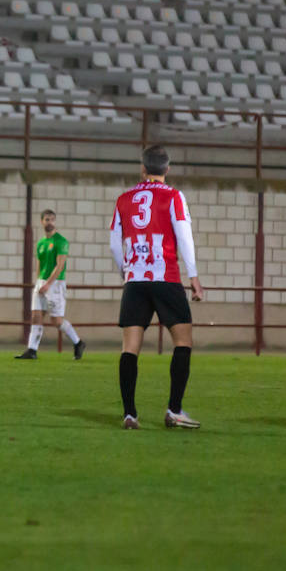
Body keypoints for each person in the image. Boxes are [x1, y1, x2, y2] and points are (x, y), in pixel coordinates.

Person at [109, 146, 205, 430]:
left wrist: (125, 271)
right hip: (166, 278)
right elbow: (184, 236)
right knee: (183, 341)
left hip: (136, 281)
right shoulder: (174, 196)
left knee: (130, 348)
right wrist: (194, 276)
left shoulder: (124, 199)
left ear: (142, 168)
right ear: (167, 169)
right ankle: (174, 410)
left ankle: (130, 414)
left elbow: (115, 243)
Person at [16, 209, 86, 360]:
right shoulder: (41, 242)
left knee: (56, 320)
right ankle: (32, 350)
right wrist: (38, 281)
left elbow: (60, 265)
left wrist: (48, 283)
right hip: (42, 282)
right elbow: (39, 263)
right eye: (47, 220)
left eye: (52, 220)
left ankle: (78, 342)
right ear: (42, 221)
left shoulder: (61, 241)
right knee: (36, 316)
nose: (50, 222)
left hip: (55, 284)